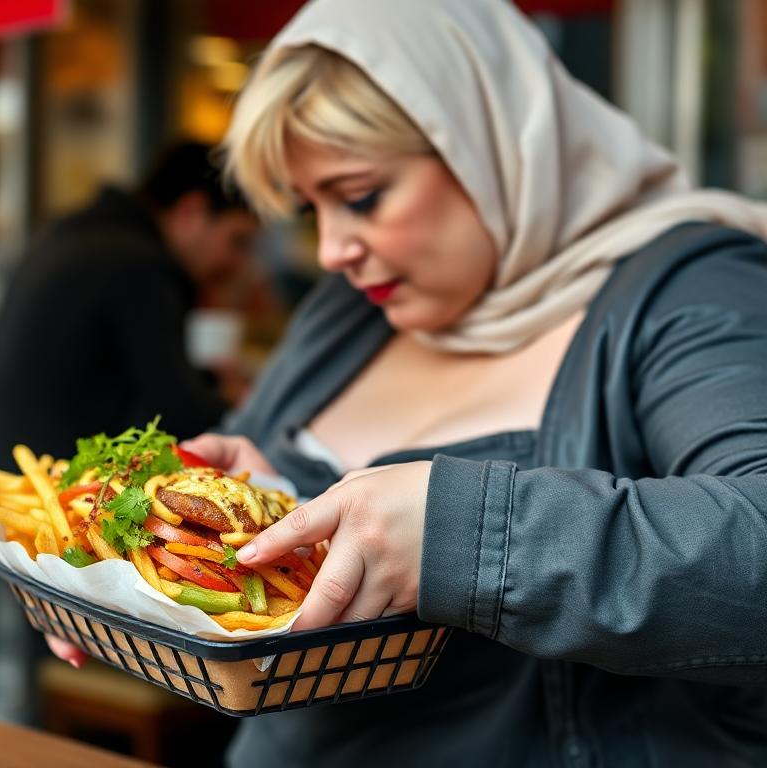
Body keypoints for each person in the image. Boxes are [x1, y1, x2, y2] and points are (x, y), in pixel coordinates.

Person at [50, 0, 767, 764]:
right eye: (311, 208)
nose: (330, 250)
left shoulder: (692, 287)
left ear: (489, 145)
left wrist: (461, 536)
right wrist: (227, 520)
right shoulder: (352, 311)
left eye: (361, 197)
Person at [0, 141, 259, 469]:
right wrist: (234, 398)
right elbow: (175, 416)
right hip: (61, 492)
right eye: (237, 241)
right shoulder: (140, 265)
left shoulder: (77, 235)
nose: (238, 263)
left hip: (11, 475)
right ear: (191, 212)